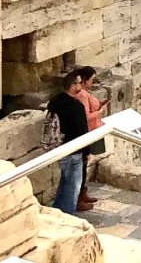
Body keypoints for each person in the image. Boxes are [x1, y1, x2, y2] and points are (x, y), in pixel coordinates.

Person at [47, 70, 91, 216]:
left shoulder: (55, 101)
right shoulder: (76, 106)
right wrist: (87, 152)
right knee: (73, 186)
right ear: (72, 86)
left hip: (59, 147)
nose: (81, 86)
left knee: (65, 181)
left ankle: (56, 210)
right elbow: (82, 130)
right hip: (73, 150)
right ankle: (68, 215)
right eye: (79, 83)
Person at [74, 66, 109, 213]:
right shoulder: (81, 95)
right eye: (92, 79)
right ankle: (79, 198)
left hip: (92, 130)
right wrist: (100, 111)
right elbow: (84, 116)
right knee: (82, 165)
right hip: (88, 131)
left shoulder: (85, 93)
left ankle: (83, 193)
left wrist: (99, 106)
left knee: (84, 164)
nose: (93, 82)